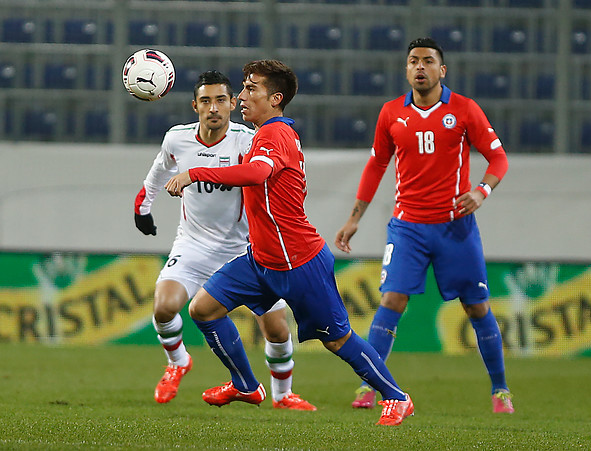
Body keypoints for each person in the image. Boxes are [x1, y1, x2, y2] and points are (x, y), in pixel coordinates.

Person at [164, 60, 414, 426]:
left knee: (338, 340)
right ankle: (247, 385)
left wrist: (193, 173)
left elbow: (257, 172)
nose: (243, 96)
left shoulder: (274, 134)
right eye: (245, 88)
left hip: (298, 261)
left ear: (275, 98)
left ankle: (396, 396)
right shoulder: (264, 134)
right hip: (261, 260)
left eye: (251, 89)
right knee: (203, 309)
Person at [334, 37, 514, 414]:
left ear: (441, 70)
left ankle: (500, 390)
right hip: (407, 227)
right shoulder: (390, 114)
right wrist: (354, 219)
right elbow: (376, 166)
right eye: (413, 61)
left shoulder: (464, 110)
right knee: (391, 300)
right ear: (406, 69)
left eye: (428, 61)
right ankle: (371, 386)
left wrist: (481, 191)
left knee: (477, 307)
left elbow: (498, 160)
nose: (420, 67)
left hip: (455, 227)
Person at [134, 70, 315, 411]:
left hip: (243, 248)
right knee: (164, 306)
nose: (213, 108)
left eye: (220, 100)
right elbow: (158, 173)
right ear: (195, 106)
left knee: (276, 329)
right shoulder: (177, 139)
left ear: (233, 104)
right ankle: (177, 362)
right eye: (205, 101)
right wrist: (142, 208)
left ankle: (282, 394)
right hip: (193, 245)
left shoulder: (248, 141)